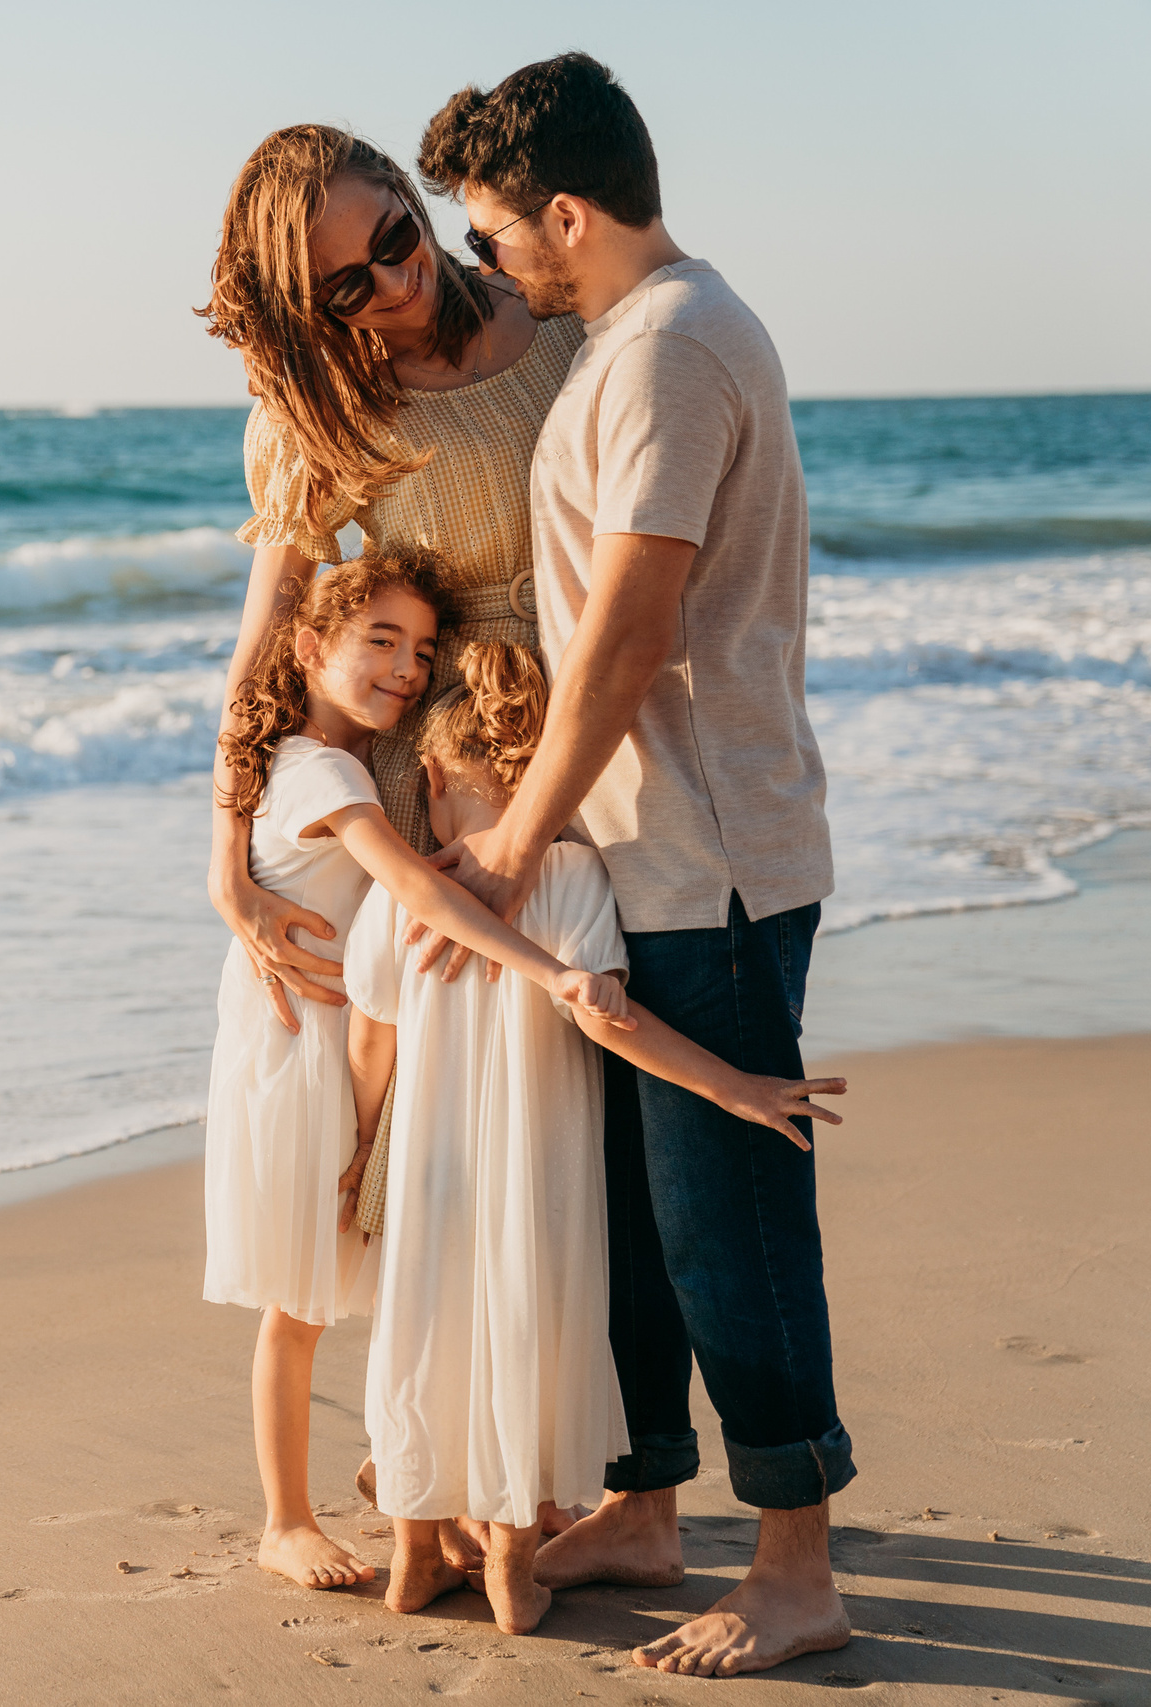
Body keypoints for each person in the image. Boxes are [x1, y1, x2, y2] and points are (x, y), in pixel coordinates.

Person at [414, 53, 854, 1677]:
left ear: (571, 214)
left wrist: (517, 839)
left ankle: (798, 1563)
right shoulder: (635, 344)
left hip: (712, 860)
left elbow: (636, 625)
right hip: (651, 858)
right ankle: (650, 1508)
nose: (487, 263)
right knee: (643, 1218)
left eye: (494, 234)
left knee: (729, 1216)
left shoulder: (672, 349)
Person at [340, 638, 846, 1635]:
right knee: (527, 1343)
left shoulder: (403, 892)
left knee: (419, 1339)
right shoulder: (573, 879)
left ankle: (411, 1559)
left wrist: (359, 1157)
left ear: (431, 776)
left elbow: (369, 1043)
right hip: (539, 1186)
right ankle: (512, 1576)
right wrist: (732, 1087)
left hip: (431, 1180)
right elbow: (611, 1017)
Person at [201, 546, 634, 1595]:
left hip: (341, 1041)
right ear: (307, 646)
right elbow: (419, 894)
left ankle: (411, 1483)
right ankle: (285, 1519)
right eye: (378, 641)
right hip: (305, 1051)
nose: (405, 667)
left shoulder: (333, 760)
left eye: (423, 649)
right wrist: (548, 967)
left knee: (367, 1273)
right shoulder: (327, 771)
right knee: (299, 1295)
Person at [198, 124, 585, 1035]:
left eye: (393, 240)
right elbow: (265, 642)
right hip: (456, 760)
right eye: (345, 285)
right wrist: (225, 862)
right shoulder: (326, 417)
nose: (393, 281)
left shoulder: (560, 312)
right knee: (470, 1066)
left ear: (412, 198)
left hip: (599, 708)